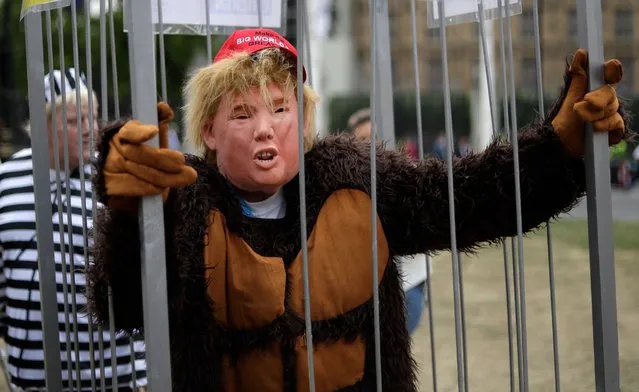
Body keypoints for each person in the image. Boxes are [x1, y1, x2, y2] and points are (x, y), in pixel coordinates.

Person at [85, 26, 629, 391]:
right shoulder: (180, 197)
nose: (267, 126)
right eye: (243, 113)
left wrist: (560, 149)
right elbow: (124, 306)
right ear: (207, 129)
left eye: (281, 107)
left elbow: (469, 196)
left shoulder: (355, 177)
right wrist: (133, 220)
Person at [0, 68, 147, 391]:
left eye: (91, 118)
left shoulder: (113, 179)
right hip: (35, 377)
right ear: (40, 127)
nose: (89, 130)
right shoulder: (6, 180)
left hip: (114, 377)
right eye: (73, 122)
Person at [346, 109, 430, 335]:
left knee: (393, 354)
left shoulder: (409, 175)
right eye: (360, 139)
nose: (367, 145)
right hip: (366, 290)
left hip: (407, 283)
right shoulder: (351, 183)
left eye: (371, 137)